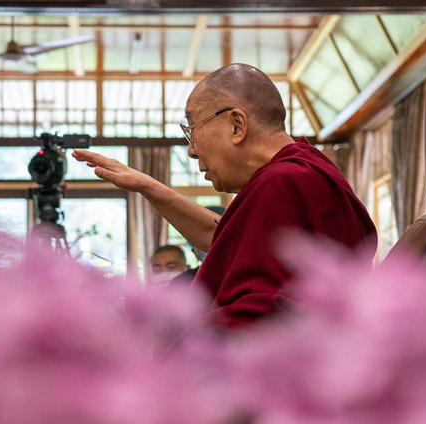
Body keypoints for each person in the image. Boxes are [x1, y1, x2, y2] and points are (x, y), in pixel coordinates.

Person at [72, 63, 377, 332]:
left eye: (192, 129)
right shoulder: (302, 172)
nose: (191, 150)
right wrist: (148, 186)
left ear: (236, 125)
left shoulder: (285, 182)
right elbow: (228, 241)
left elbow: (258, 318)